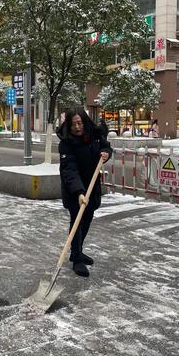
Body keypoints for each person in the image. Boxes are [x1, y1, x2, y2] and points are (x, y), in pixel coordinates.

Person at [57, 108, 112, 278]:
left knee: (87, 219)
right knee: (77, 222)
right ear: (68, 125)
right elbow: (69, 170)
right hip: (75, 189)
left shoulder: (94, 134)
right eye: (73, 124)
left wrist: (106, 153)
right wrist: (79, 192)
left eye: (79, 123)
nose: (77, 127)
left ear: (85, 121)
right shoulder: (66, 143)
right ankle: (77, 260)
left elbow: (106, 146)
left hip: (92, 186)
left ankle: (76, 252)